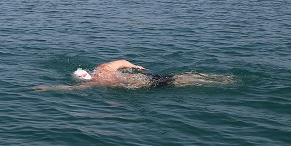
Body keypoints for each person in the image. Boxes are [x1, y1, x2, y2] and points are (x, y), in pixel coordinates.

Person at [36, 59, 234, 91]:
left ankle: (219, 81)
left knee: (178, 83)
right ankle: (217, 77)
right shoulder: (104, 68)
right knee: (178, 77)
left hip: (143, 84)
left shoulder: (96, 83)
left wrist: (47, 88)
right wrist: (137, 66)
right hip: (143, 77)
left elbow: (70, 89)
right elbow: (122, 61)